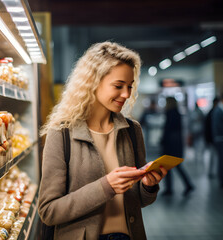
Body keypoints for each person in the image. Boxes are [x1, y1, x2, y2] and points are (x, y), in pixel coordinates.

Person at [38, 42, 167, 240]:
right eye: (118, 86)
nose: (126, 94)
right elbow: (49, 211)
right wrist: (105, 187)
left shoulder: (132, 130)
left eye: (130, 86)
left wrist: (148, 186)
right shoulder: (62, 133)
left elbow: (138, 201)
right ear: (92, 81)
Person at [161, 97, 194, 196]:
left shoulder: (169, 113)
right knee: (177, 166)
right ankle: (187, 185)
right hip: (177, 144)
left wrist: (162, 141)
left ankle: (169, 189)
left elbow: (167, 129)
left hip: (170, 144)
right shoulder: (177, 113)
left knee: (167, 167)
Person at [204, 97, 219, 178]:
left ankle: (212, 172)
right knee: (213, 156)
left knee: (213, 156)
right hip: (212, 138)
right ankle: (212, 172)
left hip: (211, 138)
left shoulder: (211, 112)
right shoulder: (213, 113)